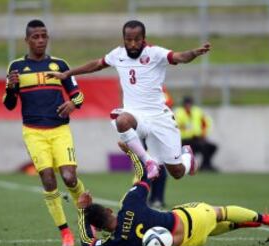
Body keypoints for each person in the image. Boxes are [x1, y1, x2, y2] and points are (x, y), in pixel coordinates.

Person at [47, 20, 211, 180]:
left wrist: (193, 53)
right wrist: (67, 74)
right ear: (124, 39)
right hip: (135, 115)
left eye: (136, 40)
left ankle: (187, 159)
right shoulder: (118, 54)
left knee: (176, 172)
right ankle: (149, 162)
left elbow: (179, 56)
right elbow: (96, 64)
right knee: (122, 121)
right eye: (128, 40)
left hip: (159, 117)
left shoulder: (155, 53)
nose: (132, 44)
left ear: (143, 39)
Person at [76, 142, 269, 246]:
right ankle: (268, 219)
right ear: (110, 210)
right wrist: (130, 152)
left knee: (210, 227)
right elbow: (144, 174)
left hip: (186, 245)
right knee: (219, 212)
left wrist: (81, 212)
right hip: (188, 221)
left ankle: (245, 223)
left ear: (99, 228)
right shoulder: (131, 203)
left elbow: (88, 244)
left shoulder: (117, 242)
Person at [3, 19, 86, 246]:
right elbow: (9, 104)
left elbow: (78, 94)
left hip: (60, 130)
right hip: (34, 132)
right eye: (35, 37)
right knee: (48, 179)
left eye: (44, 36)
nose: (40, 40)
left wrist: (73, 104)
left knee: (69, 177)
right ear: (27, 40)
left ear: (47, 38)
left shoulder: (60, 65)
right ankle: (65, 232)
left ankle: (86, 209)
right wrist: (11, 88)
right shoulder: (16, 67)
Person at [175, 96, 219, 171]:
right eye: (186, 104)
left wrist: (203, 134)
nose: (188, 106)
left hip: (196, 138)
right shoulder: (179, 113)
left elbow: (206, 123)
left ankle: (205, 165)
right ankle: (201, 166)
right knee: (202, 147)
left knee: (211, 147)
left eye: (189, 104)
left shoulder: (197, 111)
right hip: (184, 140)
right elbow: (177, 125)